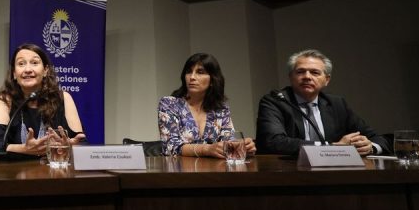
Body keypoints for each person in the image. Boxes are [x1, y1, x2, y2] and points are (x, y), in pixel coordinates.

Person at [256, 49, 389, 156]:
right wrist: (333, 148)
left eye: (314, 72)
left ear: (327, 80)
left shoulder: (336, 104)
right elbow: (273, 142)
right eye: (300, 72)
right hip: (290, 173)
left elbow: (377, 138)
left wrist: (370, 147)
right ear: (291, 77)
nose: (307, 76)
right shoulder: (275, 101)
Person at [0, 43, 85, 157]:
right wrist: (24, 149)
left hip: (55, 171)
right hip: (15, 172)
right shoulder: (6, 100)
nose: (28, 69)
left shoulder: (63, 98)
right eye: (21, 64)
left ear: (45, 70)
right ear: (14, 73)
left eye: (34, 63)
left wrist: (70, 146)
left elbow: (81, 143)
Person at [158, 53, 256, 158]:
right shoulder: (169, 104)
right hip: (178, 171)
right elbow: (170, 147)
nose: (192, 77)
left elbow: (227, 143)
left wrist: (242, 147)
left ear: (212, 80)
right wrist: (206, 149)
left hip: (213, 171)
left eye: (200, 72)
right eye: (188, 72)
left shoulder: (220, 109)